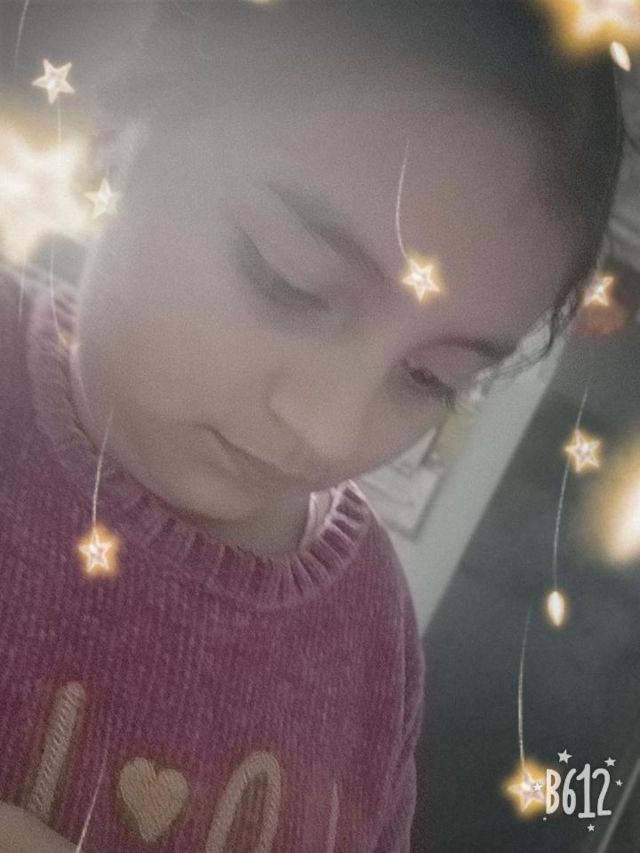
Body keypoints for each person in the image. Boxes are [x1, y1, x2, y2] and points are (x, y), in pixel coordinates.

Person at [0, 1, 623, 850]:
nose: (327, 433)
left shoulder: (372, 633)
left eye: (431, 378)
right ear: (128, 127)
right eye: (287, 279)